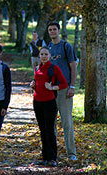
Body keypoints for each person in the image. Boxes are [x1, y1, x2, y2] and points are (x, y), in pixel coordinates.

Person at [30, 46, 68, 167]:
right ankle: (45, 157)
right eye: (42, 54)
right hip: (37, 101)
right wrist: (33, 85)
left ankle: (52, 158)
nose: (44, 56)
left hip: (49, 102)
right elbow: (37, 83)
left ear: (50, 56)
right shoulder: (37, 68)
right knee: (42, 130)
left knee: (49, 130)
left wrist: (52, 88)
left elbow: (64, 84)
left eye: (46, 54)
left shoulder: (54, 68)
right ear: (39, 56)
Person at [47, 21, 78, 161]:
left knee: (66, 122)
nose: (52, 31)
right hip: (50, 91)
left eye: (54, 29)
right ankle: (52, 154)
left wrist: (72, 86)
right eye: (50, 30)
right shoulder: (47, 48)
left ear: (58, 31)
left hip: (64, 90)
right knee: (50, 123)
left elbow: (73, 67)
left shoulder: (66, 46)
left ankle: (72, 153)